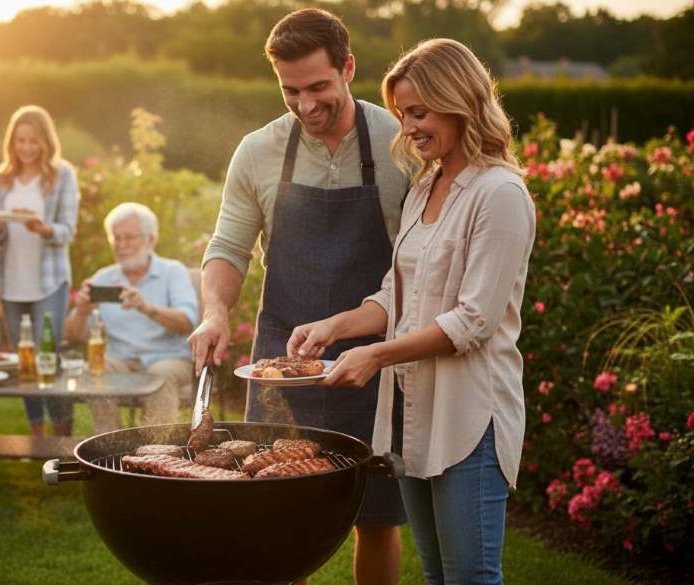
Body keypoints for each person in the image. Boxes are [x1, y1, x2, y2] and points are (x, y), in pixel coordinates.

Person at [287, 38, 535, 584]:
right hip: (412, 414)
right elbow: (396, 295)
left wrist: (375, 355)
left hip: (469, 415)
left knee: (470, 578)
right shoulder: (426, 185)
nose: (410, 128)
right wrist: (336, 328)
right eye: (403, 115)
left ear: (459, 100)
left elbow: (473, 321)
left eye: (420, 112)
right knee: (437, 577)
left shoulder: (500, 194)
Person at [188, 9, 411, 585]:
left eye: (319, 88)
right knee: (279, 515)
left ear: (348, 68)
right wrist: (215, 312)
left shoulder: (399, 142)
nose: (307, 105)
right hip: (278, 365)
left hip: (373, 360)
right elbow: (229, 247)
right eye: (291, 91)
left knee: (378, 516)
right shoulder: (258, 151)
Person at [64, 202, 197, 433]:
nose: (122, 245)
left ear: (151, 239)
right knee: (93, 370)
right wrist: (82, 310)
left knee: (160, 375)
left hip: (168, 358)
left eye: (130, 237)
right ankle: (110, 442)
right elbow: (72, 335)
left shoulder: (172, 272)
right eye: (117, 238)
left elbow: (186, 323)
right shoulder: (104, 278)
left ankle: (158, 451)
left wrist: (146, 307)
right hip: (121, 359)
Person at [0, 105, 79, 437]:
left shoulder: (61, 176)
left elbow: (67, 231)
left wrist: (43, 229)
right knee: (24, 360)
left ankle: (62, 433)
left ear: (46, 142)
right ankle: (36, 433)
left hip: (48, 281)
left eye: (33, 141)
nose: (26, 147)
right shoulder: (1, 180)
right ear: (11, 143)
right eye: (20, 141)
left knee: (48, 355)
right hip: (11, 281)